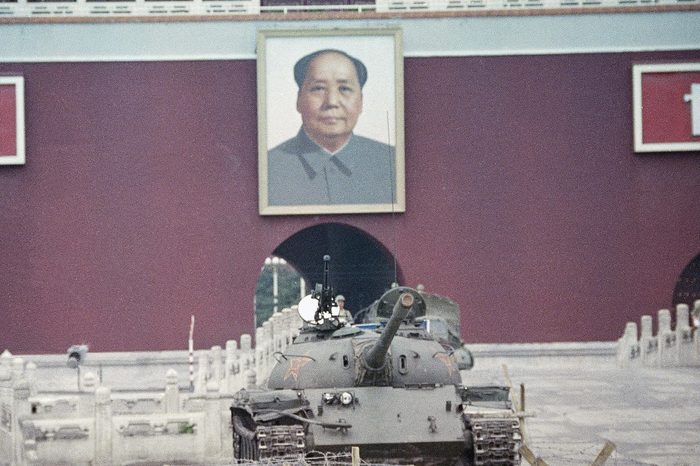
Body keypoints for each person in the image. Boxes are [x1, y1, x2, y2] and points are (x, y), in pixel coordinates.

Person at [267, 49, 396, 206]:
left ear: (361, 101)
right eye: (319, 88)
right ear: (299, 99)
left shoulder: (392, 162)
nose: (332, 102)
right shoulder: (269, 168)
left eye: (344, 89)